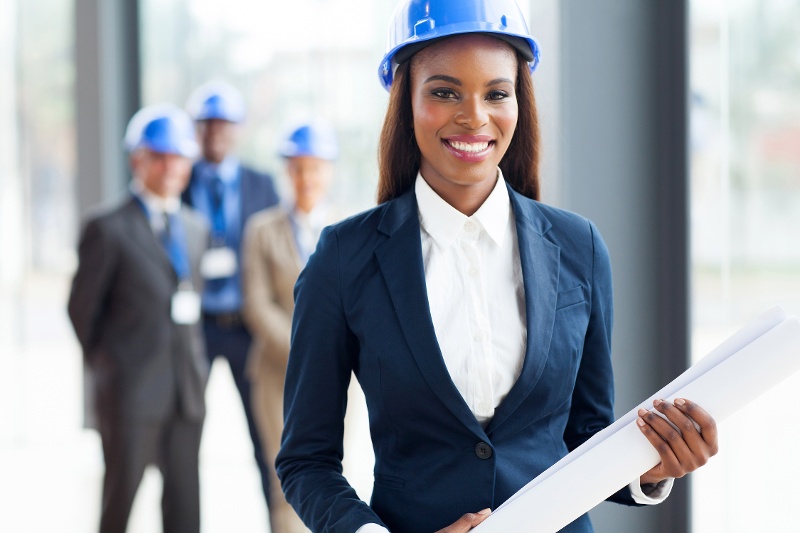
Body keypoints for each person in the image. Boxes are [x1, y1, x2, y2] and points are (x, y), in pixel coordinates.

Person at [274, 1, 719, 532]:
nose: (473, 116)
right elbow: (306, 462)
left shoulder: (579, 247)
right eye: (444, 92)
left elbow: (586, 437)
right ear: (405, 100)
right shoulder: (344, 259)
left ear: (518, 102)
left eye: (496, 93)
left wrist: (652, 471)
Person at [68, 104, 209, 533]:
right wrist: (114, 370)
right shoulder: (107, 228)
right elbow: (80, 311)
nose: (170, 167)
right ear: (137, 159)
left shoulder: (194, 226)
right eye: (160, 156)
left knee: (185, 511)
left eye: (179, 157)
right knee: (119, 506)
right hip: (131, 393)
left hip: (186, 393)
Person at [241, 119, 346, 533]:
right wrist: (307, 352)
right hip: (276, 374)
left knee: (334, 477)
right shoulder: (261, 230)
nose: (306, 177)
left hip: (338, 376)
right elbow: (257, 304)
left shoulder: (348, 229)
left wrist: (328, 356)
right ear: (287, 171)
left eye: (315, 167)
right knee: (285, 477)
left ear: (329, 171)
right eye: (298, 167)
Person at [182, 80, 280, 508]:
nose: (214, 134)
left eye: (223, 126)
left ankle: (279, 520)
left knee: (266, 441)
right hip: (195, 327)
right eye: (205, 126)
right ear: (195, 130)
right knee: (184, 441)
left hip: (246, 327)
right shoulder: (180, 180)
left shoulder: (261, 184)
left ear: (237, 129)